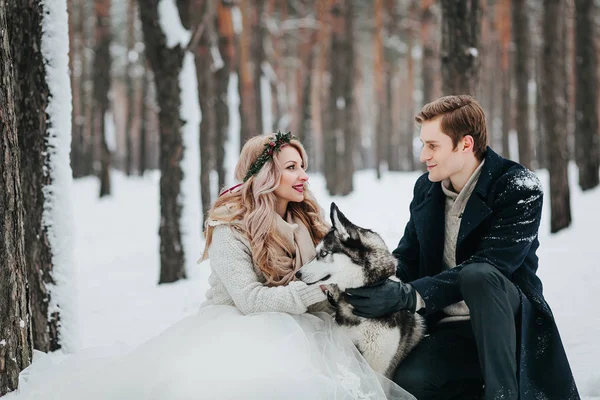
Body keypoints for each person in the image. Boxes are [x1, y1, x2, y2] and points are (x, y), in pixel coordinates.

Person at [12, 133, 415, 400]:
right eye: (291, 166)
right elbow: (250, 300)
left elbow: (340, 268)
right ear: (265, 174)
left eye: (302, 165)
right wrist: (324, 289)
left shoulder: (309, 220)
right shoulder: (229, 227)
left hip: (308, 325)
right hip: (242, 327)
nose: (303, 175)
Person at [345, 95, 580, 400]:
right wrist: (371, 279)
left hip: (508, 325)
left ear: (465, 144)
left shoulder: (519, 186)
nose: (422, 155)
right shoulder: (426, 188)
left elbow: (494, 266)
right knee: (411, 380)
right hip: (450, 328)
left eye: (433, 146)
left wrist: (410, 295)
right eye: (423, 144)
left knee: (478, 276)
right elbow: (408, 257)